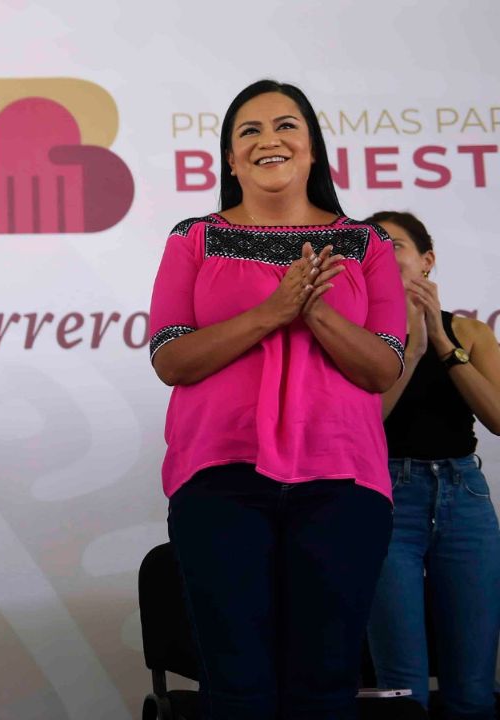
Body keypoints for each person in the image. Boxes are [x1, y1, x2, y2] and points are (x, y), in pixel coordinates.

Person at [147, 79, 406, 719]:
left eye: (287, 126)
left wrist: (316, 313)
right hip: (219, 477)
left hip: (342, 482)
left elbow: (383, 367)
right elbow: (170, 356)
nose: (270, 140)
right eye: (249, 131)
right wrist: (273, 311)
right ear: (231, 160)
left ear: (313, 149)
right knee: (237, 688)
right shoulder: (194, 238)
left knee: (325, 686)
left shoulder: (367, 245)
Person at [363, 210, 500, 718]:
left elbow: (498, 416)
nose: (380, 253)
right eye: (369, 246)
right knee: (403, 687)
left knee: (473, 685)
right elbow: (362, 425)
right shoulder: (356, 339)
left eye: (393, 244)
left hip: (463, 496)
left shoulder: (468, 331)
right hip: (388, 496)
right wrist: (412, 348)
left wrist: (440, 342)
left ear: (427, 261)